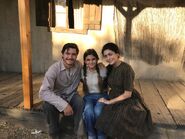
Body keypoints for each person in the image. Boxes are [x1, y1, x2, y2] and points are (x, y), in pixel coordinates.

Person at [95, 43, 153, 139]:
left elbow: (127, 94)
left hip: (128, 99)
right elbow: (103, 84)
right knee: (105, 115)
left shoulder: (126, 69)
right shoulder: (109, 68)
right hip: (114, 96)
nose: (108, 58)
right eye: (105, 56)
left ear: (117, 54)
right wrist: (100, 69)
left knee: (120, 117)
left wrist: (109, 102)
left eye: (110, 54)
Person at [39, 43, 83, 139]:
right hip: (57, 96)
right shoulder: (53, 69)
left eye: (73, 54)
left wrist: (99, 66)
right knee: (47, 105)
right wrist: (64, 105)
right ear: (62, 54)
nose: (70, 57)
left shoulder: (79, 66)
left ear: (76, 56)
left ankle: (76, 134)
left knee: (80, 101)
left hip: (71, 96)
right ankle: (54, 134)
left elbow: (89, 72)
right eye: (67, 53)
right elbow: (43, 92)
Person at [81, 49, 108, 139]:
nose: (91, 62)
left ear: (97, 59)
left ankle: (101, 134)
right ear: (85, 61)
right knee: (88, 112)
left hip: (102, 95)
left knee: (98, 111)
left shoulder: (102, 68)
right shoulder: (82, 71)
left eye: (93, 59)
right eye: (88, 60)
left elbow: (110, 81)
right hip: (88, 97)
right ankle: (91, 134)